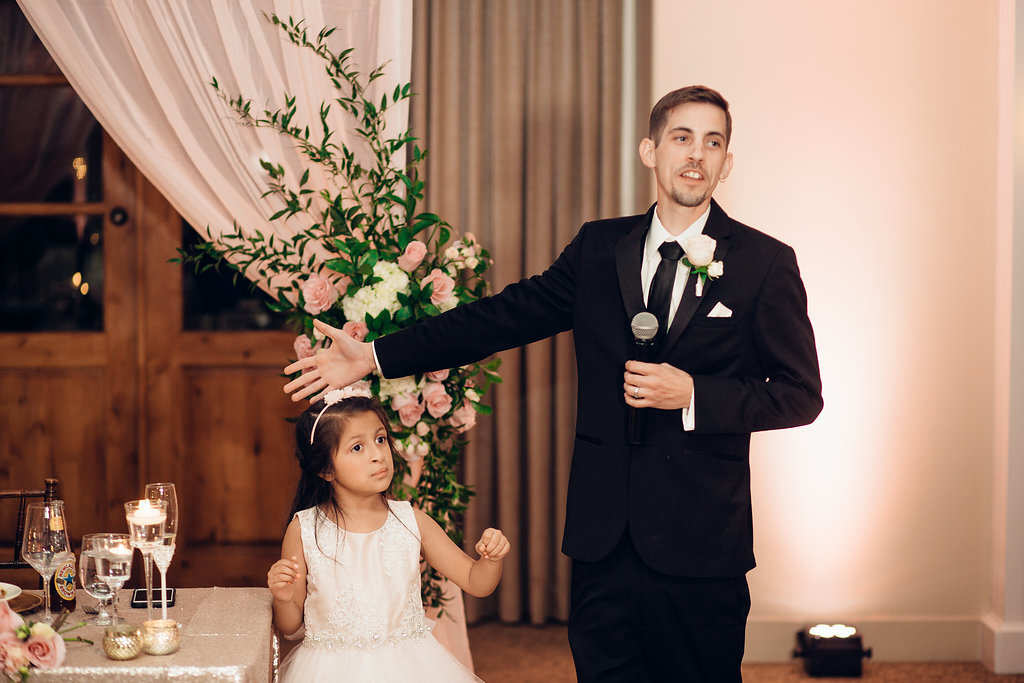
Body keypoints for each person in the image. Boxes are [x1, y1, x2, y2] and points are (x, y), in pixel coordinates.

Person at [283, 86, 823, 682]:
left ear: (727, 163)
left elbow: (800, 393)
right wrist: (376, 356)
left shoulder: (764, 262)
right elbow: (501, 317)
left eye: (713, 142)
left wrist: (693, 393)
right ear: (650, 150)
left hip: (701, 542)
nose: (697, 154)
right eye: (682, 137)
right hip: (603, 539)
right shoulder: (599, 248)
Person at [269, 384, 510, 682]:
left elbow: (477, 582)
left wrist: (491, 559)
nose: (378, 455)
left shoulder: (412, 521)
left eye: (380, 439)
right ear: (325, 470)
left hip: (411, 666)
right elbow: (290, 625)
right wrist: (282, 598)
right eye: (358, 447)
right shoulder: (305, 529)